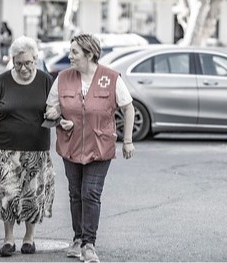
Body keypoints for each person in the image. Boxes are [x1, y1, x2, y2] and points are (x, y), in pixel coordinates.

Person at [45, 34, 135, 263]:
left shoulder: (111, 78)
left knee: (90, 193)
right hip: (70, 145)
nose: (70, 56)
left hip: (100, 146)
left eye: (74, 52)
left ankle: (89, 244)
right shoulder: (63, 78)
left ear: (89, 54)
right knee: (76, 194)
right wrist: (57, 118)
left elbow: (128, 108)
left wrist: (127, 140)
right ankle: (78, 239)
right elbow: (50, 109)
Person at [0, 35, 55, 257]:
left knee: (31, 195)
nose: (23, 68)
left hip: (37, 148)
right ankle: (9, 239)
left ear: (36, 59)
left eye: (28, 63)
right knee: (8, 194)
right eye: (18, 63)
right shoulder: (2, 81)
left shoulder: (45, 80)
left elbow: (57, 107)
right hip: (6, 148)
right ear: (12, 60)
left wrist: (56, 114)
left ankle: (29, 238)